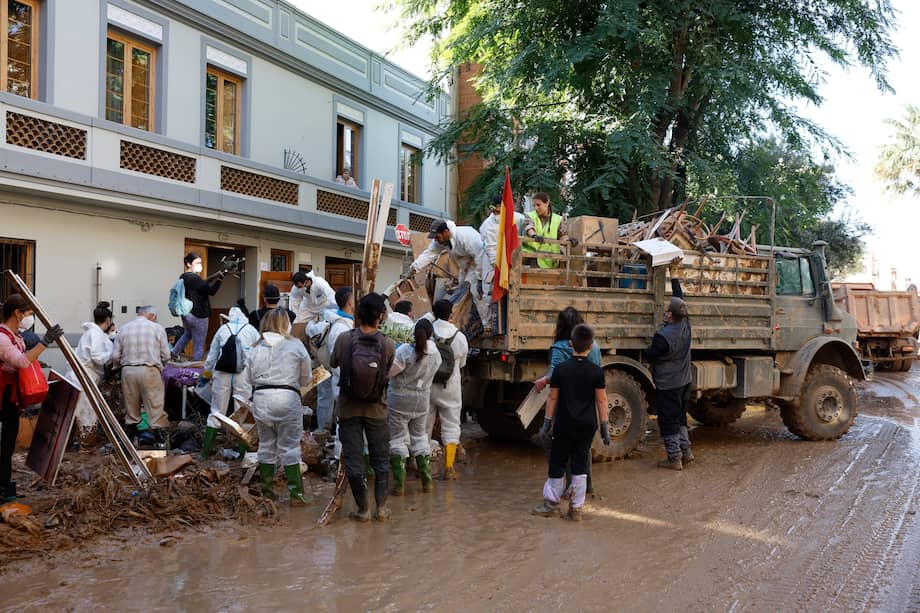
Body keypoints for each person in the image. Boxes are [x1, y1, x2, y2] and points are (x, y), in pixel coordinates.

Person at [533, 324, 610, 521]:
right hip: (587, 426)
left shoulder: (560, 370)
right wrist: (605, 426)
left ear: (570, 344)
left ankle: (551, 505)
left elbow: (552, 398)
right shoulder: (596, 372)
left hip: (564, 424)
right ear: (591, 346)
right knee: (580, 464)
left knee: (557, 462)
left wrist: (546, 423)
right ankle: (576, 509)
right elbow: (601, 400)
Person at [331, 293, 396, 522]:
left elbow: (333, 362)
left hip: (348, 409)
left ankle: (363, 510)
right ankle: (381, 509)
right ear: (381, 316)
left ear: (357, 314)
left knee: (354, 460)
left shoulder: (343, 339)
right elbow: (386, 371)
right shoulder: (387, 343)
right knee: (380, 460)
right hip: (377, 410)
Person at [0, 295, 64, 501]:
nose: (30, 317)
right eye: (28, 313)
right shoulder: (2, 337)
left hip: (10, 399)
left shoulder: (14, 335)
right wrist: (45, 342)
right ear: (17, 314)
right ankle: (3, 489)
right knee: (5, 444)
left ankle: (4, 485)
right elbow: (21, 361)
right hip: (3, 397)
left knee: (8, 445)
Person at [247, 308, 312, 505]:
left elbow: (249, 378)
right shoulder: (295, 345)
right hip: (287, 397)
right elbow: (306, 377)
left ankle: (267, 491)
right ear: (285, 324)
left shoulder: (255, 347)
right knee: (290, 447)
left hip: (261, 399)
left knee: (266, 445)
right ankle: (296, 495)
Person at [387, 318, 442, 496]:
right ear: (431, 334)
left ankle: (399, 486)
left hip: (399, 399)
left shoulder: (404, 351)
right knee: (420, 437)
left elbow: (390, 373)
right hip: (422, 400)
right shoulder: (435, 353)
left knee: (398, 439)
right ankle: (427, 482)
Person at [408, 219, 491, 333]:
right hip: (465, 266)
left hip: (479, 263)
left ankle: (486, 324)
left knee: (476, 292)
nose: (436, 240)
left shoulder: (465, 237)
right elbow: (429, 254)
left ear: (446, 232)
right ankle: (464, 320)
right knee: (462, 293)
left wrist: (480, 278)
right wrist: (415, 267)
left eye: (437, 237)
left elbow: (480, 257)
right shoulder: (440, 241)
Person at [199, 306, 260, 459]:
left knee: (217, 412)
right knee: (242, 412)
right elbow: (258, 355)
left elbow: (212, 356)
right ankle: (242, 453)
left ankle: (205, 453)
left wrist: (205, 375)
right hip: (243, 374)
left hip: (222, 373)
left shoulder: (222, 329)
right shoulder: (251, 330)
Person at [646, 278, 693, 470]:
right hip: (684, 382)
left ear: (671, 315)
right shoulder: (685, 325)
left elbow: (650, 355)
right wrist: (675, 278)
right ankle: (686, 451)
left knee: (668, 420)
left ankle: (674, 458)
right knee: (680, 417)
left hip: (668, 384)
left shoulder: (663, 337)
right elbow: (679, 298)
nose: (665, 312)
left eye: (667, 311)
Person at [112, 306, 171, 450]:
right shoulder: (157, 328)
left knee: (131, 409)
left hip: (128, 371)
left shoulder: (124, 329)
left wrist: (117, 367)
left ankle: (129, 445)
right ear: (151, 315)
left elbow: (115, 356)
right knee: (155, 408)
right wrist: (161, 362)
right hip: (150, 370)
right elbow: (167, 355)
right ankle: (160, 444)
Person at [65, 301, 116, 452]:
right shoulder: (95, 334)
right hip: (83, 377)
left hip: (81, 375)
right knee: (86, 412)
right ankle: (86, 446)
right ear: (108, 320)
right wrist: (113, 354)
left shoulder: (92, 333)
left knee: (77, 412)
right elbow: (97, 357)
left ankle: (69, 444)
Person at [427, 299, 468, 480]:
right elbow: (463, 362)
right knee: (451, 424)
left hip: (427, 384)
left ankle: (423, 469)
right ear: (451, 314)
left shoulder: (427, 332)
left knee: (423, 427)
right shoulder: (459, 336)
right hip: (450, 385)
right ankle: (449, 468)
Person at [315, 286, 355, 432]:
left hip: (337, 377)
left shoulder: (342, 322)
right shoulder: (341, 327)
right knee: (344, 422)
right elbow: (339, 359)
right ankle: (338, 452)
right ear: (350, 302)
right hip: (341, 379)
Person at [172, 253, 225, 361]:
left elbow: (202, 284)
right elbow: (212, 291)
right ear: (188, 264)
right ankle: (196, 368)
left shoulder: (184, 277)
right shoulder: (195, 278)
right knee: (199, 344)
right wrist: (221, 278)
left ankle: (173, 353)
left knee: (187, 334)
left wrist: (215, 275)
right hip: (199, 314)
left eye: (200, 263)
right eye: (197, 263)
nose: (200, 265)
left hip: (187, 314)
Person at [521, 192, 571, 269]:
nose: (536, 208)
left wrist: (569, 240)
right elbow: (529, 228)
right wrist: (534, 236)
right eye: (534, 205)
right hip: (533, 256)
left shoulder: (558, 219)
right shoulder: (530, 216)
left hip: (552, 258)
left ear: (547, 203)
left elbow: (563, 236)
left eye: (538, 205)